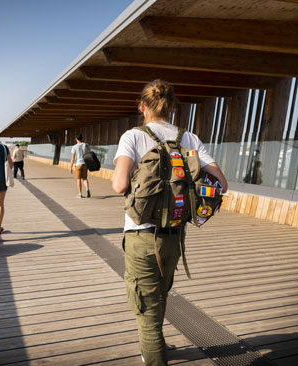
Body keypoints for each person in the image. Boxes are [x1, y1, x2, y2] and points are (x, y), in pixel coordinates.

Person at [111, 79, 228, 366]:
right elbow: (221, 184)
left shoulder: (133, 136)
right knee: (159, 299)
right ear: (172, 107)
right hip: (174, 237)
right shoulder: (189, 138)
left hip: (141, 237)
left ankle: (153, 353)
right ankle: (156, 346)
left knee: (147, 318)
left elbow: (119, 184)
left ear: (142, 106)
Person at [69, 134, 91, 198]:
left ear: (76, 139)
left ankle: (80, 194)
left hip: (78, 164)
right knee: (85, 178)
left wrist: (70, 167)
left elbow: (73, 158)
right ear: (82, 138)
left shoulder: (74, 147)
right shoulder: (86, 145)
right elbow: (89, 153)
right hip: (85, 164)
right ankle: (87, 189)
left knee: (78, 179)